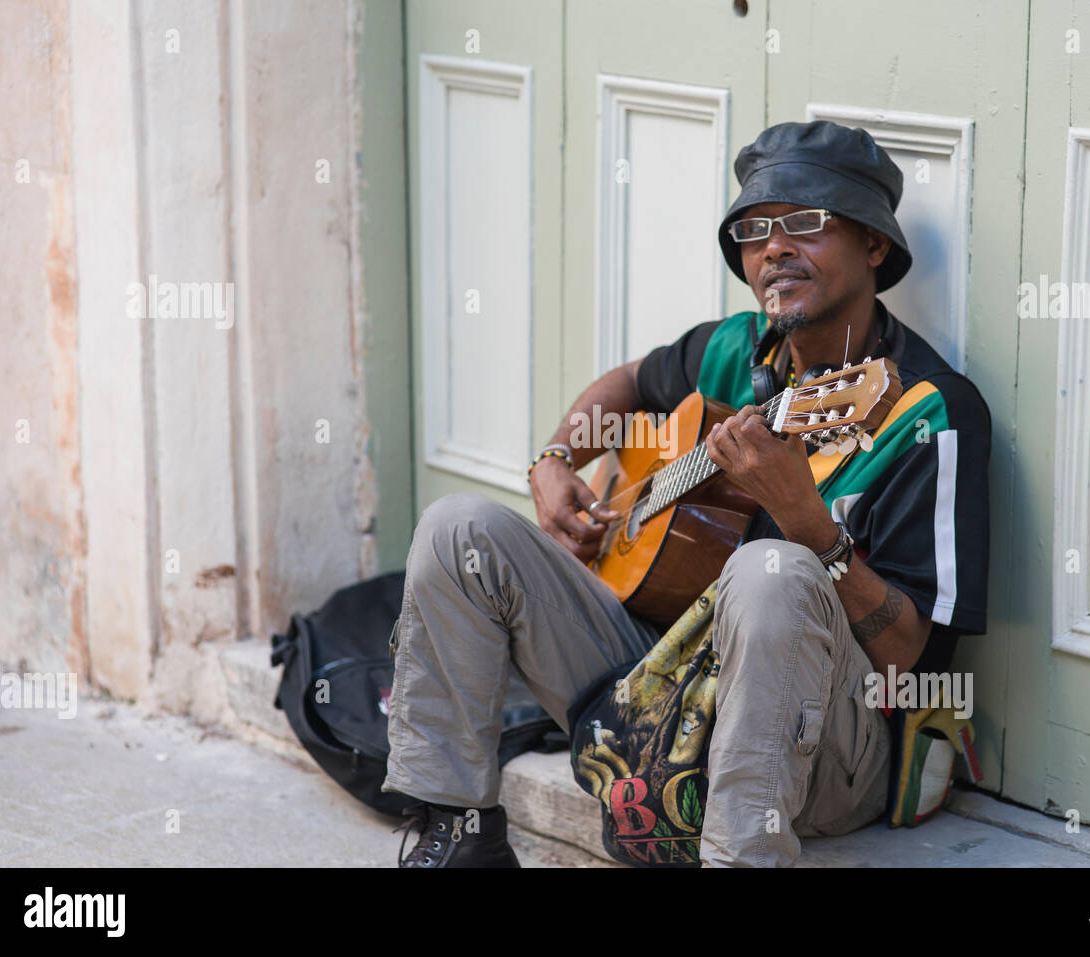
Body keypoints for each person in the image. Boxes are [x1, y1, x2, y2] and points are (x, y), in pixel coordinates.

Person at [382, 120, 991, 867]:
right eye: (755, 229)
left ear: (873, 244)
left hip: (830, 754)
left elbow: (905, 657)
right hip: (662, 696)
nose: (774, 247)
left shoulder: (930, 413)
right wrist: (556, 458)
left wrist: (805, 521)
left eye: (805, 224)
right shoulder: (737, 350)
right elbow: (631, 381)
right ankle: (458, 835)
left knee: (774, 570)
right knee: (459, 529)